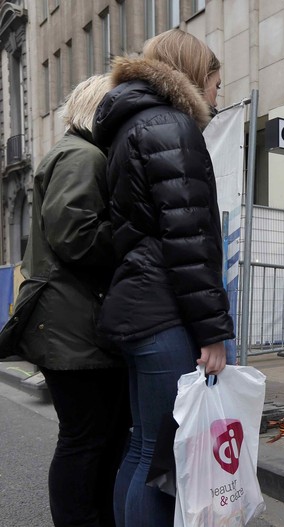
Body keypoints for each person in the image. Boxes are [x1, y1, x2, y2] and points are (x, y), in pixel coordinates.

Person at [91, 29, 233, 527]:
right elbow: (190, 239)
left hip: (139, 310)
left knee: (144, 450)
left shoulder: (131, 126)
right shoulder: (171, 126)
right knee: (164, 460)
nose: (218, 97)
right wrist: (213, 332)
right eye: (216, 83)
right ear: (196, 75)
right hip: (166, 315)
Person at [15, 74, 131, 527]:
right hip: (72, 325)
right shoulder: (82, 156)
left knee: (93, 436)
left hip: (71, 322)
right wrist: (134, 230)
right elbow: (74, 235)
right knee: (86, 438)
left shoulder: (76, 152)